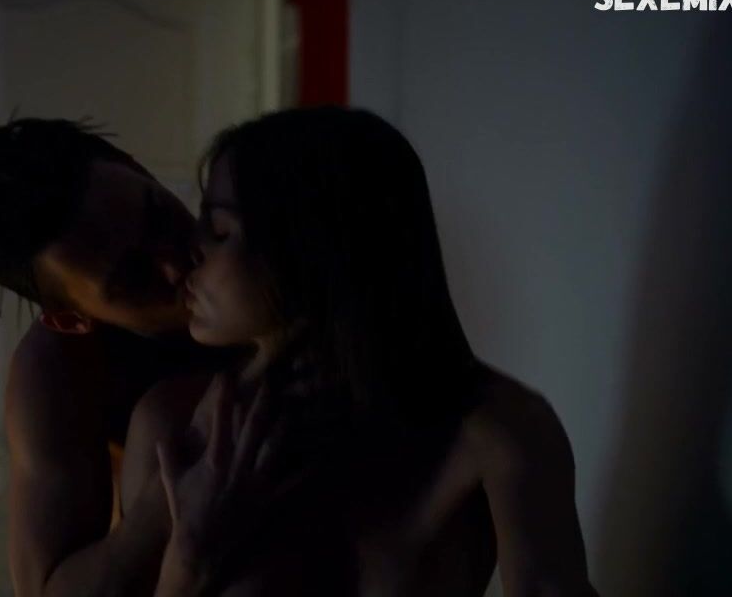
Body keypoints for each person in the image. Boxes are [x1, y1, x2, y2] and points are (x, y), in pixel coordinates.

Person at [129, 106, 599, 596]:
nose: (192, 249)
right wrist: (187, 561)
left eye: (220, 230)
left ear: (314, 246)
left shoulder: (497, 431)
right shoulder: (173, 424)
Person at [0, 116, 226, 597]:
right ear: (72, 320)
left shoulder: (255, 227)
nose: (174, 264)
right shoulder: (62, 370)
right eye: (132, 278)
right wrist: (167, 499)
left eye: (158, 215)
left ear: (137, 168)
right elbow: (48, 591)